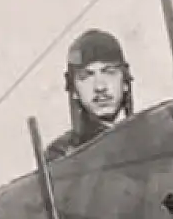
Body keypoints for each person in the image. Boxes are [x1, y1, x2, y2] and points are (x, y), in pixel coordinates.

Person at [44, 29, 134, 161]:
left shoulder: (155, 137)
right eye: (86, 76)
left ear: (125, 81)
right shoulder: (63, 154)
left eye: (109, 72)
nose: (100, 87)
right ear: (74, 90)